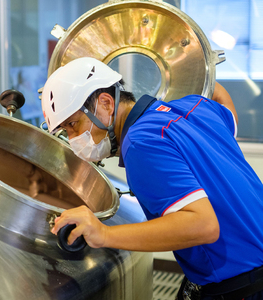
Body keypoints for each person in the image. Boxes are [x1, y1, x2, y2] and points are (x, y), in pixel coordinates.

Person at [41, 57, 263, 299]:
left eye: (73, 124)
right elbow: (230, 115)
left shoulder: (139, 143)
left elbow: (204, 225)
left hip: (241, 286)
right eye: (66, 130)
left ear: (106, 104)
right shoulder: (193, 106)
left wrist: (103, 234)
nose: (73, 139)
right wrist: (200, 66)